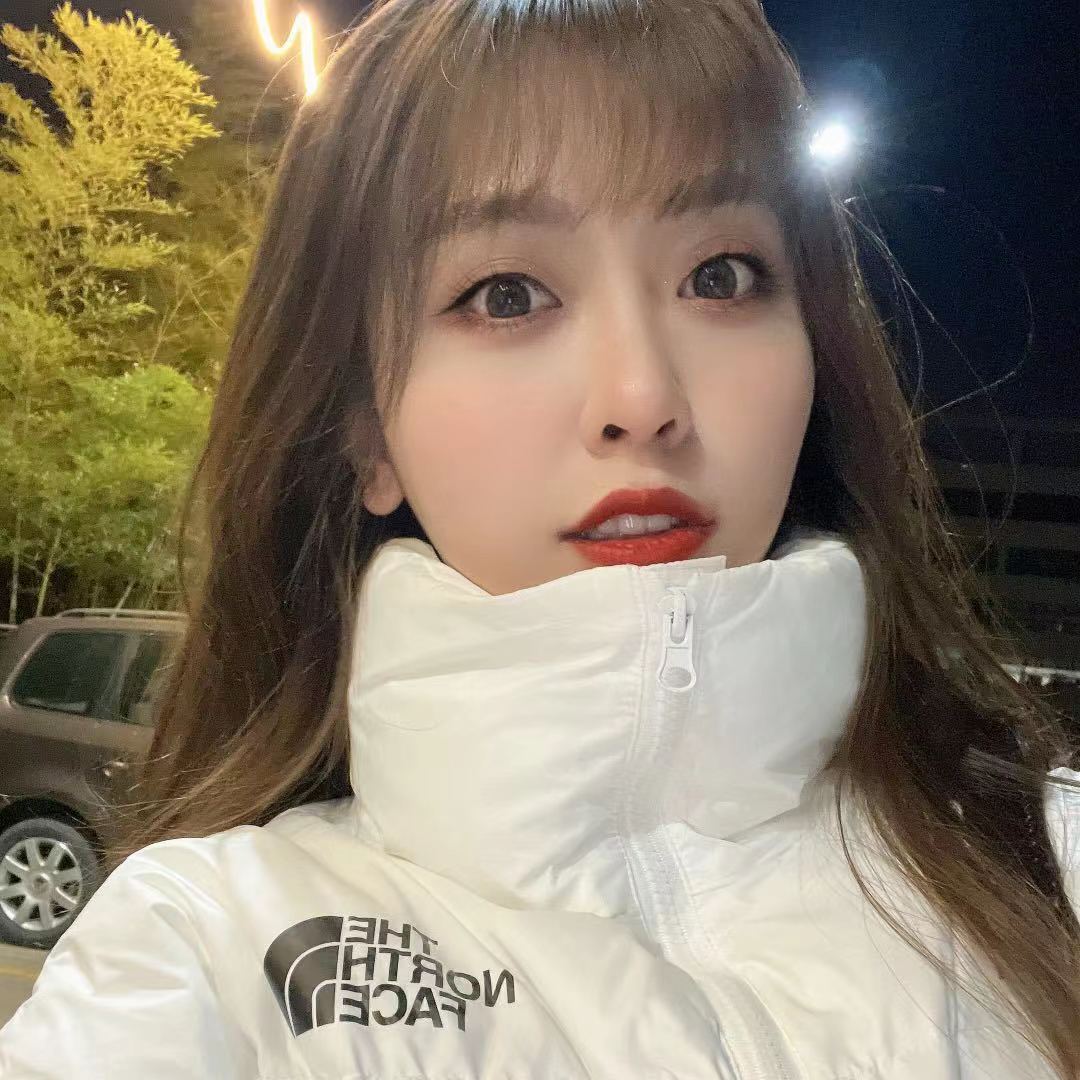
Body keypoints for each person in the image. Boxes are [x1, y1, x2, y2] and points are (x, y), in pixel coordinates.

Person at [1, 0, 1077, 1075]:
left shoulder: (1044, 866)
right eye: (507, 295)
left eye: (720, 275)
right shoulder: (204, 957)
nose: (642, 398)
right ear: (366, 433)